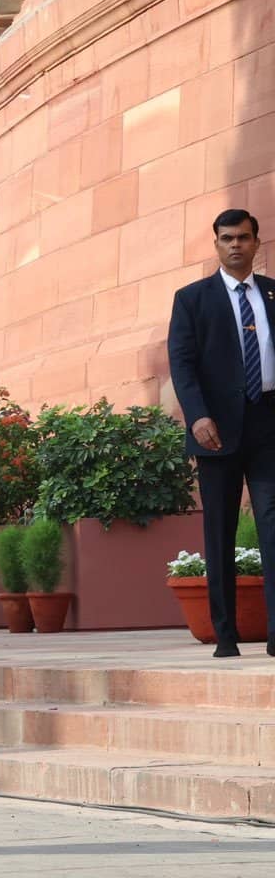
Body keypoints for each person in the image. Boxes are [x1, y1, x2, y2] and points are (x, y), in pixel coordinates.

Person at [167, 208, 275, 657]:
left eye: (244, 238)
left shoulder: (272, 294)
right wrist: (196, 415)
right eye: (227, 238)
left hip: (269, 425)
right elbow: (182, 362)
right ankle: (225, 635)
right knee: (219, 531)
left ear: (256, 243)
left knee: (272, 524)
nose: (236, 245)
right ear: (216, 244)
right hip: (216, 429)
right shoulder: (192, 298)